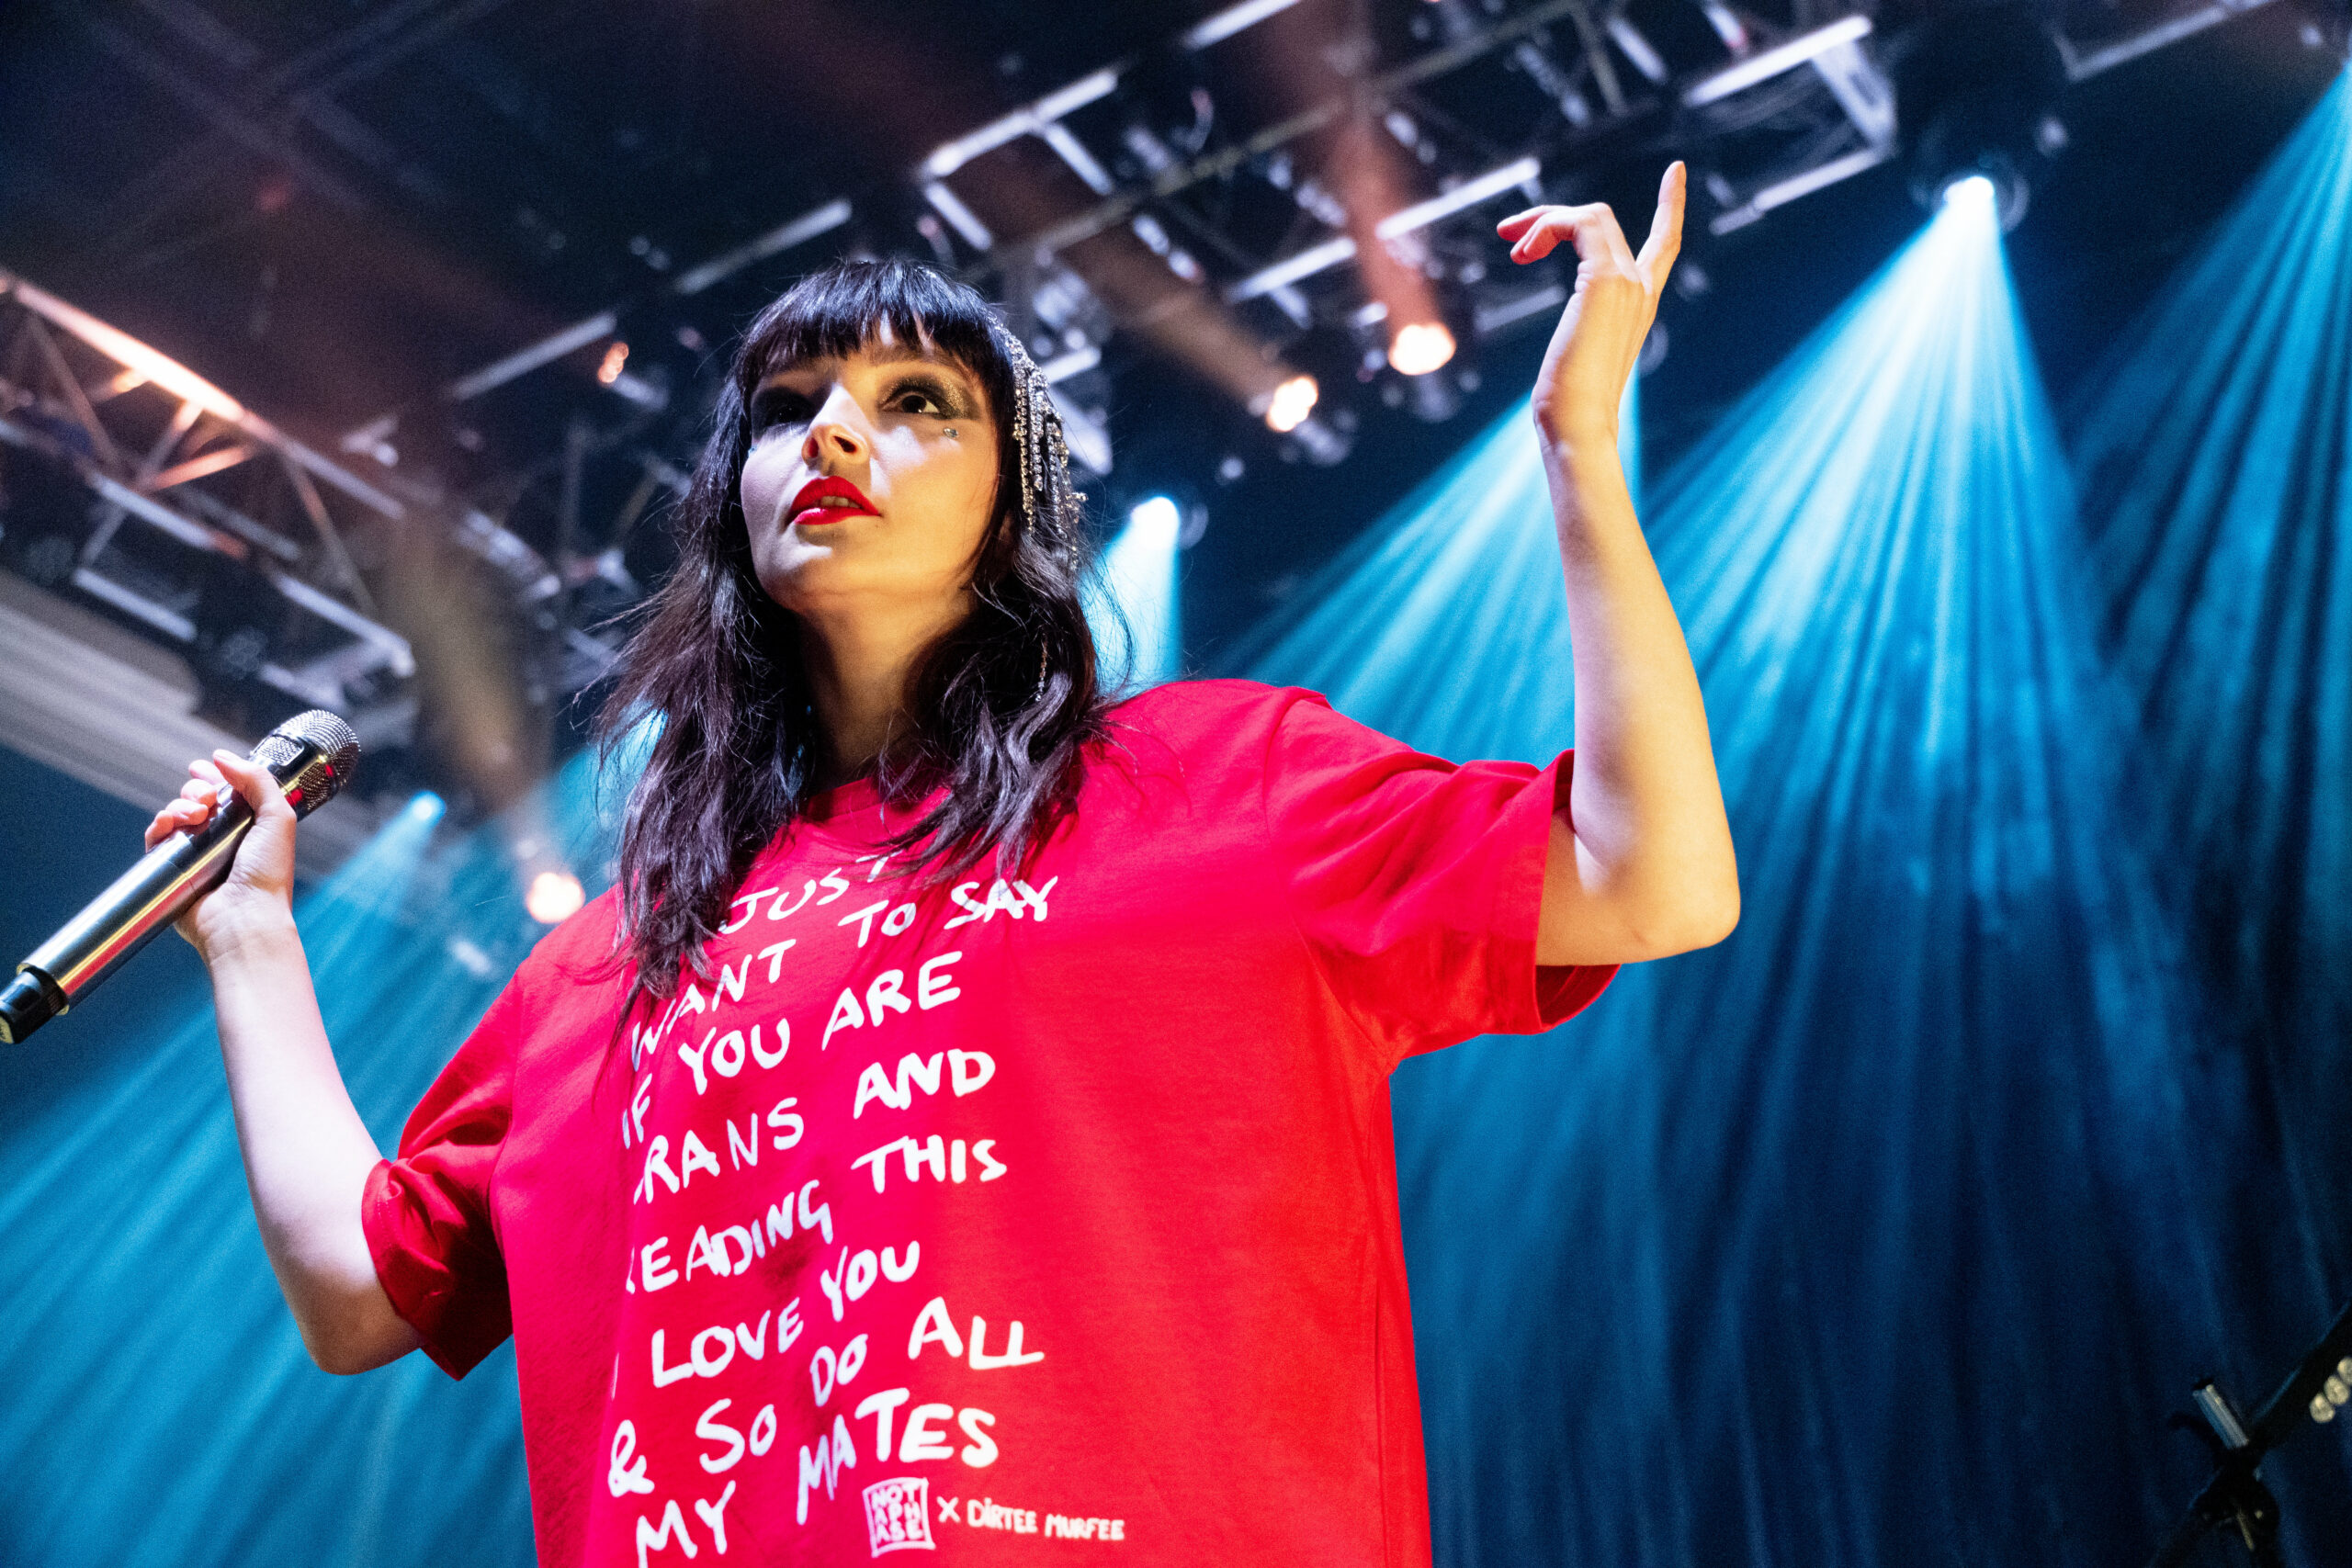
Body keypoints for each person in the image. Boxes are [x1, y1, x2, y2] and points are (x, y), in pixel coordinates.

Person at [153, 164, 1733, 1566]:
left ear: (1014, 506)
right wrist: (252, 943)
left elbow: (1653, 877)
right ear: (733, 507)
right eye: (788, 407)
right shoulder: (616, 958)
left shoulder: (1211, 780)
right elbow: (366, 1291)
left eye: (922, 402)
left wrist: (1580, 448)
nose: (835, 427)